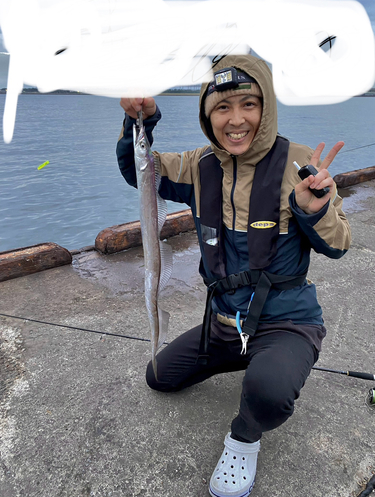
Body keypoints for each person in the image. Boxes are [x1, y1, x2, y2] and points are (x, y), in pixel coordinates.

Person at [116, 54, 351, 497]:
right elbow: (139, 170)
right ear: (208, 115)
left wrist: (311, 210)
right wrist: (139, 121)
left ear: (266, 108)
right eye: (222, 107)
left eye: (249, 103)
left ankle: (243, 437)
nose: (236, 119)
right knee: (158, 377)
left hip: (287, 322)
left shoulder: (301, 165)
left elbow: (338, 246)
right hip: (225, 325)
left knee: (268, 392)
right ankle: (249, 356)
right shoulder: (197, 166)